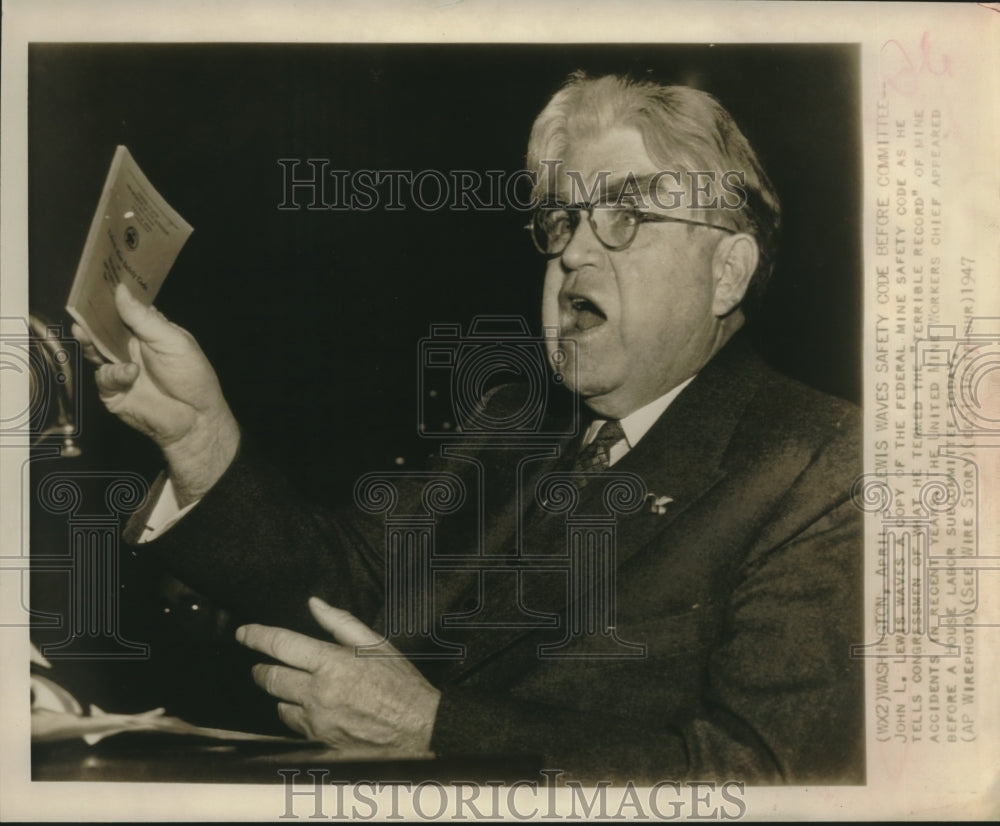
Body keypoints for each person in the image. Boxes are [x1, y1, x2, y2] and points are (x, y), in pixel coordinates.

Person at [74, 73, 863, 784]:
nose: (575, 252)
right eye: (562, 219)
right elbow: (347, 589)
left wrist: (433, 731)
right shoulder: (512, 431)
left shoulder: (825, 468)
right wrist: (198, 438)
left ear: (726, 271)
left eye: (625, 213)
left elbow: (767, 780)